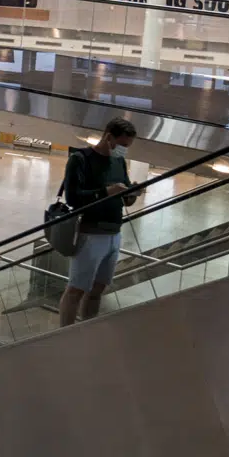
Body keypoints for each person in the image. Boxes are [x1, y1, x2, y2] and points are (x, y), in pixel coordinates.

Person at [57, 118, 139, 327]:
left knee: (98, 289)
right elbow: (73, 198)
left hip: (114, 234)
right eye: (122, 145)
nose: (123, 150)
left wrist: (132, 194)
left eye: (127, 146)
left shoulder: (119, 162)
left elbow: (125, 194)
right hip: (89, 234)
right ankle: (64, 335)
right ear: (108, 137)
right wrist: (106, 192)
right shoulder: (80, 159)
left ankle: (87, 330)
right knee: (76, 289)